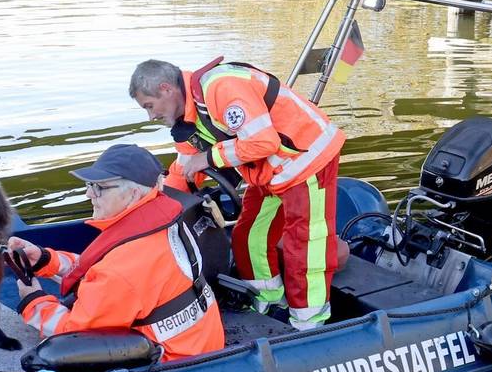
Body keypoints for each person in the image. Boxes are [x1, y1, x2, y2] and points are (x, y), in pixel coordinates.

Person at [129, 57, 345, 330]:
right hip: (269, 173)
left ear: (166, 89)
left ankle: (309, 325)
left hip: (306, 161)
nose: (151, 116)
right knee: (248, 237)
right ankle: (269, 303)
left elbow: (264, 142)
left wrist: (209, 157)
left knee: (305, 246)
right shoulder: (187, 116)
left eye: (149, 106)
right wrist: (155, 210)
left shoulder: (221, 87)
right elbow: (184, 169)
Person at [9, 144, 224, 362]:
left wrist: (33, 301)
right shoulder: (167, 222)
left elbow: (74, 333)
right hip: (203, 342)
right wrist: (47, 260)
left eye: (99, 188)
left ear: (133, 194)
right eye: (90, 185)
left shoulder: (122, 269)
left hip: (173, 364)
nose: (88, 194)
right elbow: (100, 270)